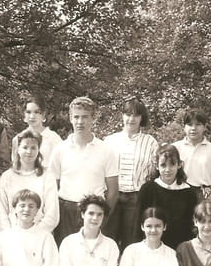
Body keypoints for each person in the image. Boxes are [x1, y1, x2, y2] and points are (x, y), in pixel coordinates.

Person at [49, 96, 118, 244]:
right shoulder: (60, 149)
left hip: (94, 211)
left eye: (85, 117)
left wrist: (103, 216)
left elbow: (113, 191)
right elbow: (52, 187)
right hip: (66, 212)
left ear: (93, 119)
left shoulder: (106, 150)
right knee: (65, 253)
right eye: (76, 117)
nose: (80, 122)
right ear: (70, 118)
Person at [103, 97, 158, 250]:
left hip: (136, 199)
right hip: (112, 197)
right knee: (108, 241)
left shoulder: (150, 142)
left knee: (131, 243)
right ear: (122, 116)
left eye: (136, 115)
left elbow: (155, 173)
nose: (131, 119)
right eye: (128, 114)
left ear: (141, 118)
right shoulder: (110, 141)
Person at [135, 143, 197, 249]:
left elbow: (191, 226)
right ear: (157, 166)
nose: (168, 169)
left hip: (180, 247)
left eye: (172, 164)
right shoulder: (148, 189)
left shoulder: (188, 192)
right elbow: (138, 222)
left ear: (179, 164)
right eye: (163, 165)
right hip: (152, 247)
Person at [0, 129, 59, 233]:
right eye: (25, 147)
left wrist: (33, 234)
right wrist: (9, 235)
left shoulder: (47, 176)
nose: (29, 152)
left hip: (40, 235)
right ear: (18, 149)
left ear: (38, 150)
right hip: (12, 235)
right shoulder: (7, 177)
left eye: (33, 148)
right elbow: (1, 211)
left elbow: (52, 215)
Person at [172, 108, 211, 202]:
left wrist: (208, 201)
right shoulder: (175, 148)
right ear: (184, 127)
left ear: (204, 127)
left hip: (203, 196)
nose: (193, 128)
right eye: (189, 124)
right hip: (178, 195)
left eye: (198, 124)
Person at [10, 94, 63, 169]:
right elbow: (16, 166)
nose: (32, 116)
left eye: (36, 112)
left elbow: (61, 165)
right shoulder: (18, 139)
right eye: (28, 112)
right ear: (24, 115)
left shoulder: (53, 138)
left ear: (43, 114)